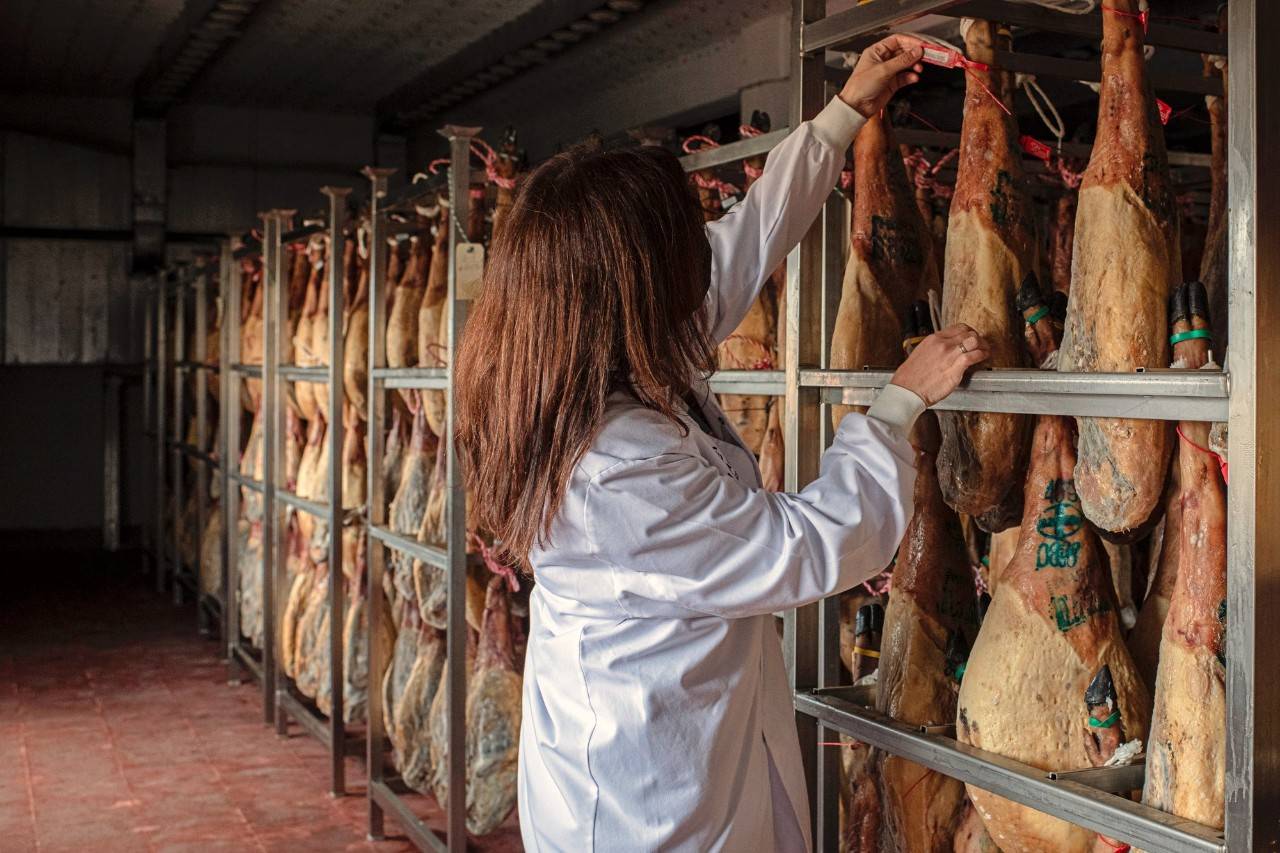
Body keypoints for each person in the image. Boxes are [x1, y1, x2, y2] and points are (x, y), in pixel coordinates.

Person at [456, 34, 990, 852]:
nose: (697, 250)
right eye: (679, 239)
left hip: (676, 727)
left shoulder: (591, 347)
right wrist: (897, 403)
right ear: (637, 277)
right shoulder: (613, 468)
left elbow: (743, 246)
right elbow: (805, 549)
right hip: (645, 794)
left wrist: (845, 115)